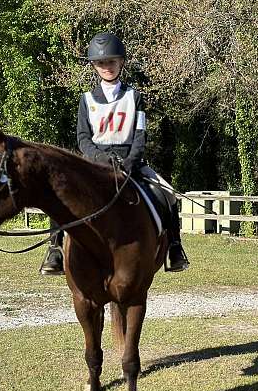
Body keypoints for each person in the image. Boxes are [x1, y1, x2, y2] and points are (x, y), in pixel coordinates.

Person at [39, 32, 189, 274]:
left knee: (167, 194)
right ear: (94, 66)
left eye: (111, 62)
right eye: (101, 63)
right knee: (60, 194)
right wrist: (98, 158)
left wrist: (131, 161)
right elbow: (83, 138)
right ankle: (55, 250)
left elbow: (140, 134)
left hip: (130, 161)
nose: (106, 67)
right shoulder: (86, 100)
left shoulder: (134, 97)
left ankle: (174, 247)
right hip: (96, 162)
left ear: (121, 63)